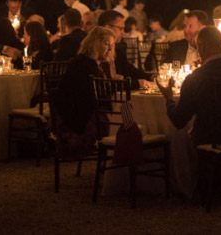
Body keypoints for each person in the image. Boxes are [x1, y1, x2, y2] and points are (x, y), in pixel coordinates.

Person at [158, 26, 221, 145]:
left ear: (201, 46)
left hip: (210, 140)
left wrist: (169, 99)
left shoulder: (196, 77)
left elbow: (179, 121)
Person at [53, 27, 113, 155]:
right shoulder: (83, 65)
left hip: (86, 112)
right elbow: (95, 93)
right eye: (106, 44)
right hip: (78, 116)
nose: (111, 49)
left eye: (112, 45)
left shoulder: (98, 64)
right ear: (95, 44)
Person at [98, 10, 152, 84]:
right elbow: (106, 84)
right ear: (108, 28)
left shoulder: (118, 50)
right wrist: (138, 83)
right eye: (120, 28)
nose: (123, 32)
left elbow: (128, 69)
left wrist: (150, 76)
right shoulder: (98, 51)